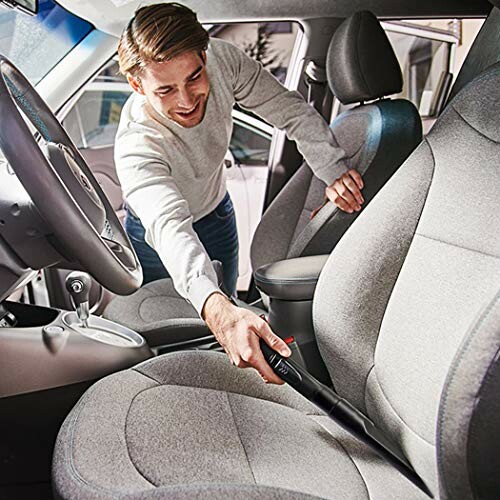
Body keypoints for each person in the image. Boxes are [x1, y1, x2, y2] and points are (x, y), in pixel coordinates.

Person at [115, 2, 364, 384]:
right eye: (165, 89)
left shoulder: (223, 61)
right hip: (153, 242)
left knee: (224, 326)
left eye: (194, 77)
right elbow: (169, 228)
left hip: (216, 214)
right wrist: (213, 307)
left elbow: (288, 110)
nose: (186, 100)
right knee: (166, 340)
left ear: (205, 55)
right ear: (137, 85)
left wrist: (332, 169)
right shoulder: (136, 145)